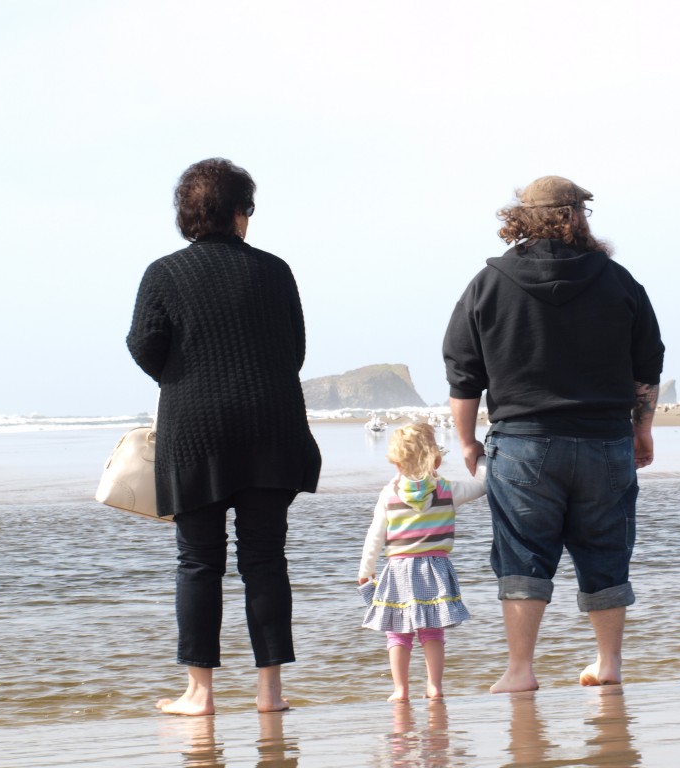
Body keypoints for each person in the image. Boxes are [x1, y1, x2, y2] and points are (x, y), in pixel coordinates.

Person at [442, 175, 664, 693]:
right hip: (605, 438)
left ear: (522, 218)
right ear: (577, 216)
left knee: (521, 555)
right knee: (606, 550)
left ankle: (520, 671)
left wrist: (468, 441)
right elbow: (647, 363)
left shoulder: (488, 282)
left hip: (522, 443)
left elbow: (463, 370)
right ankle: (608, 664)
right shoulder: (618, 280)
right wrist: (643, 428)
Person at [127, 157, 322, 715]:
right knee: (265, 559)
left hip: (197, 431)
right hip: (272, 427)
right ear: (240, 211)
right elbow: (295, 348)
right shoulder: (274, 270)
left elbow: (145, 347)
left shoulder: (163, 273)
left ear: (187, 214)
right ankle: (270, 694)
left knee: (198, 561)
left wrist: (189, 370)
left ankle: (201, 694)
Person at [357, 422, 486, 701]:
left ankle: (400, 690)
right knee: (432, 631)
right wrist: (482, 459)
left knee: (398, 632)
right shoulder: (447, 490)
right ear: (437, 459)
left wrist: (366, 570)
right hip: (435, 569)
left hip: (398, 570)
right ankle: (434, 687)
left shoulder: (389, 493)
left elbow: (375, 534)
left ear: (396, 462)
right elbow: (482, 485)